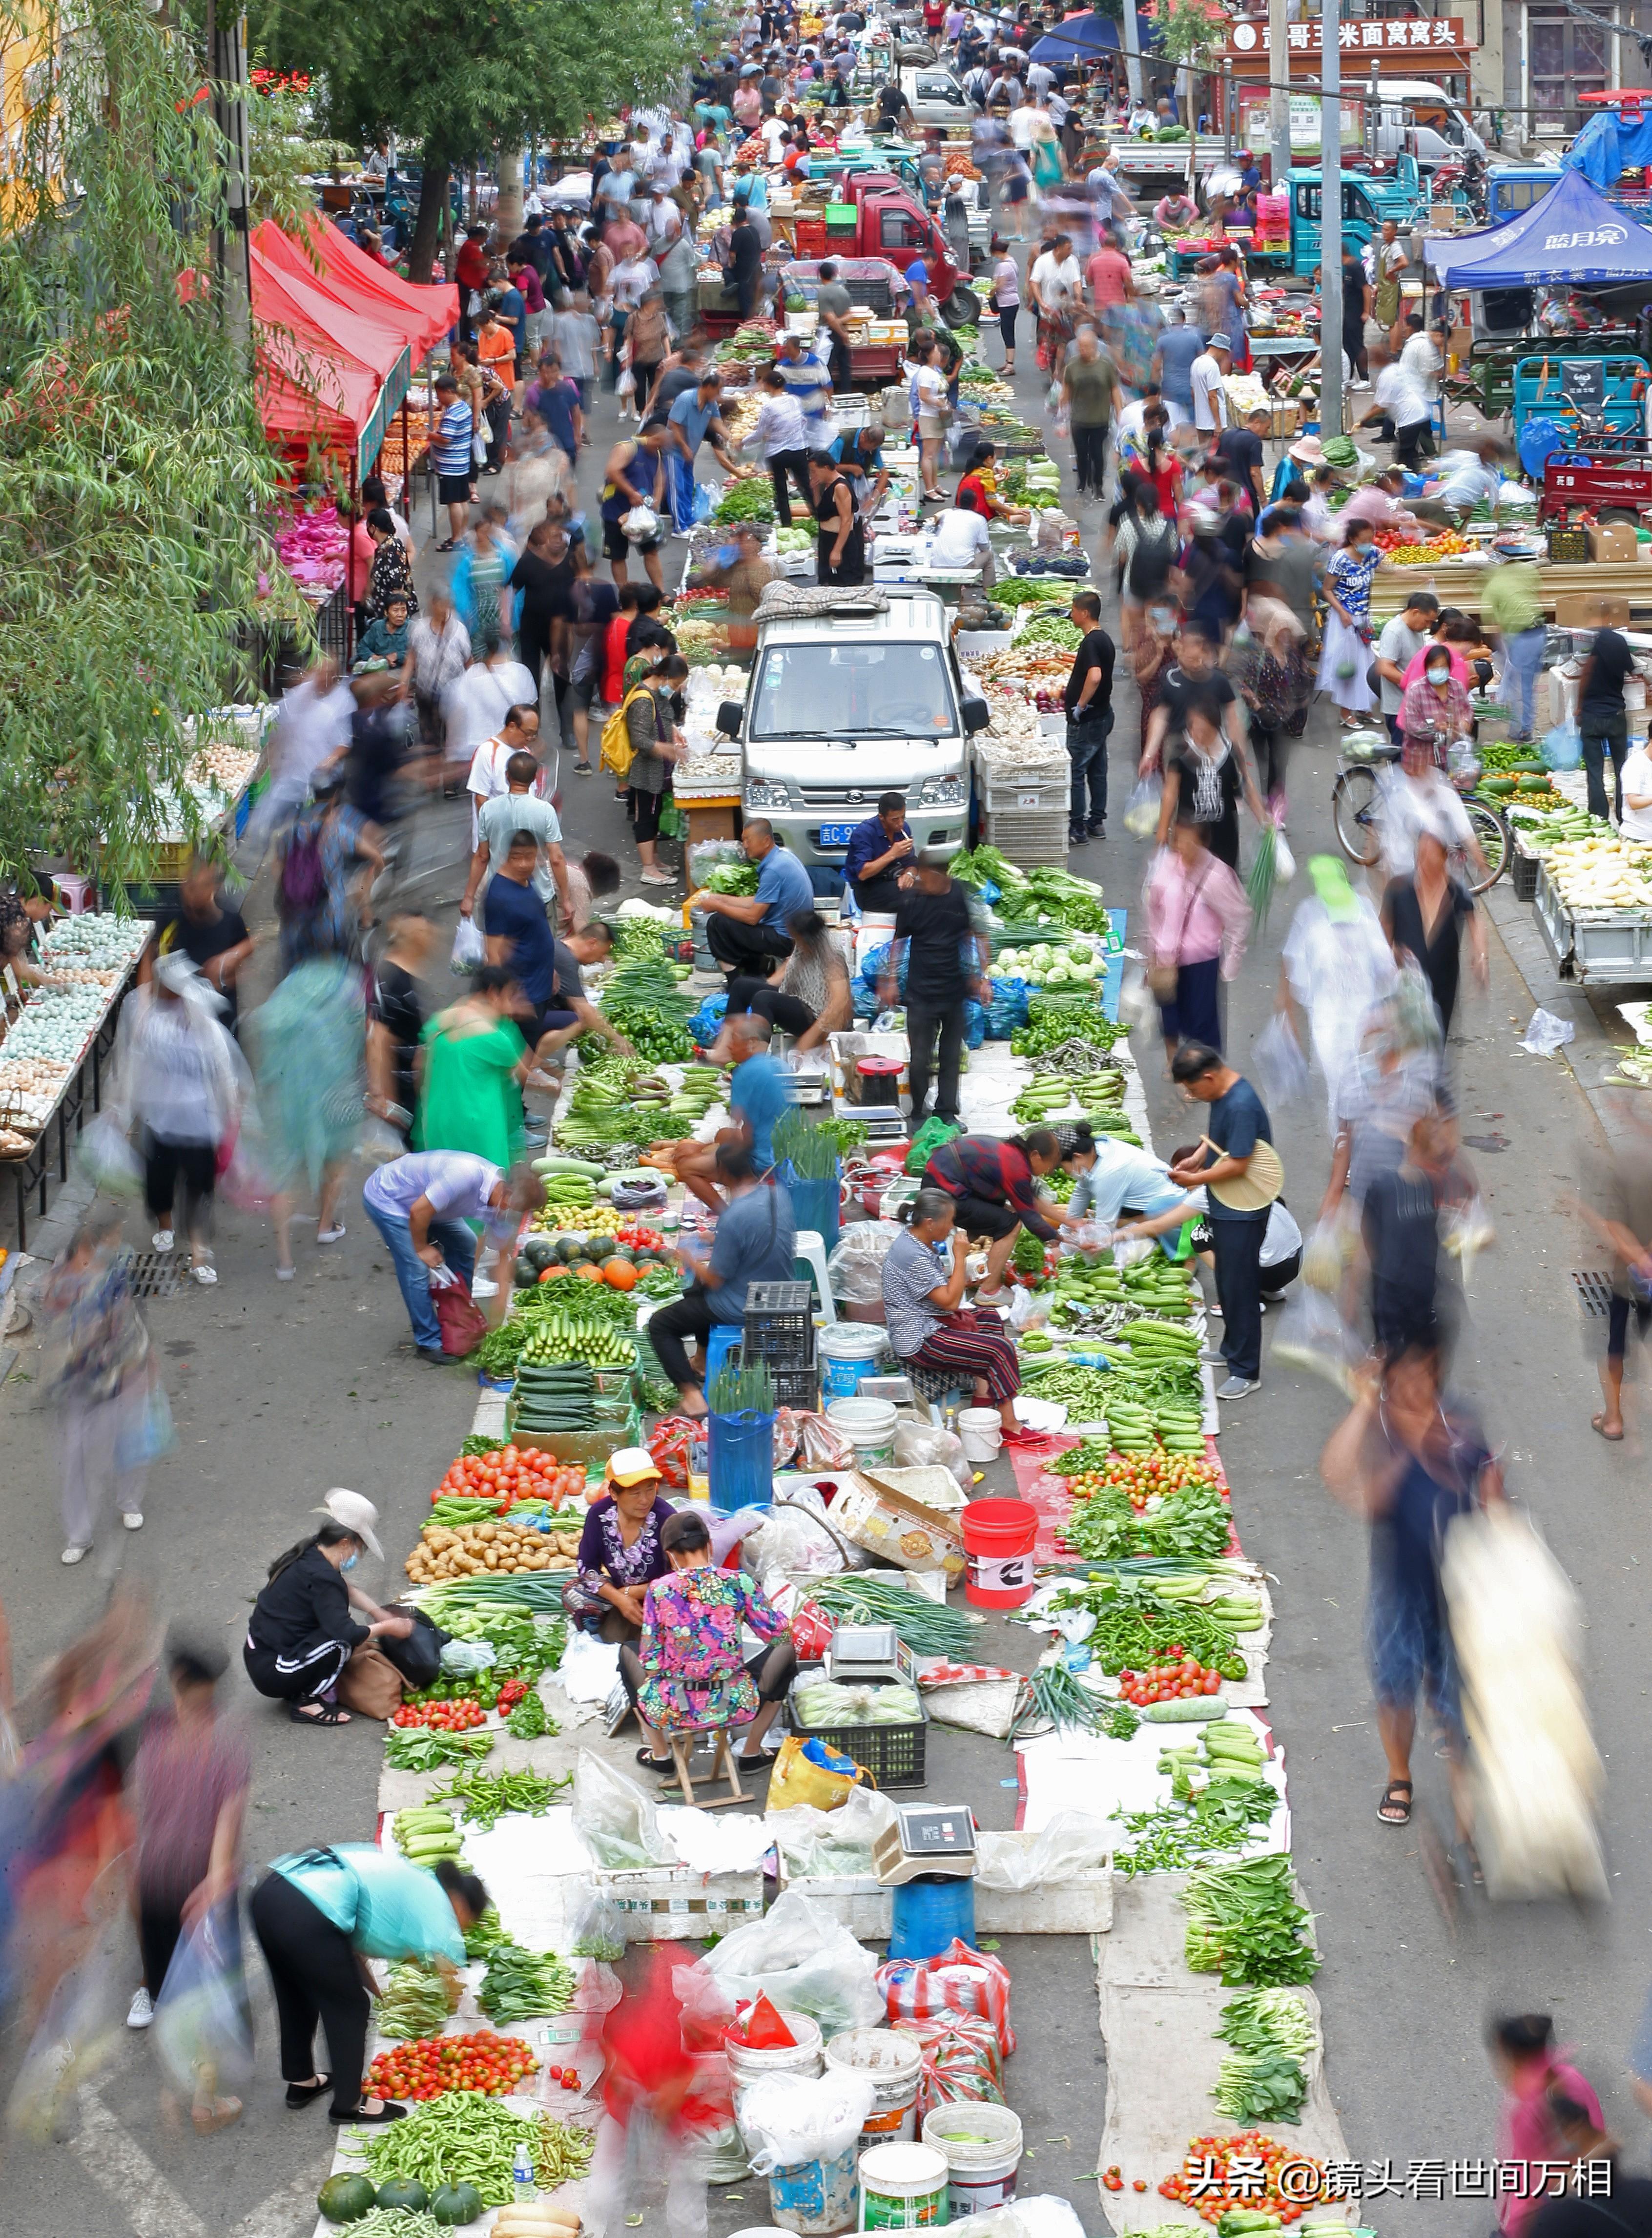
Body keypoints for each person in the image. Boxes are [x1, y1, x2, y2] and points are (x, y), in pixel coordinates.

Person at [250, 1844, 487, 2126]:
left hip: (273, 1893)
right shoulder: (438, 1904)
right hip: (309, 1910)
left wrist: (376, 1990)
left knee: (296, 1991)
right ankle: (349, 2105)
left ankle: (302, 2081)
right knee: (351, 2007)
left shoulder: (411, 1881)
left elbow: (349, 1948)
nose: (463, 1927)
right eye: (469, 1922)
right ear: (461, 1905)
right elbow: (450, 1974)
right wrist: (461, 2015)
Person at [127, 1633, 250, 2128]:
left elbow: (135, 1813)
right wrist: (218, 1878)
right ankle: (204, 2102)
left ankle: (173, 2092)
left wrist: (130, 1883)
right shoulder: (226, 1744)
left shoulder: (152, 1735)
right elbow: (228, 1821)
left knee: (172, 1996)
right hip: (200, 1888)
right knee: (210, 1994)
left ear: (174, 1681)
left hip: (152, 1880)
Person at [622, 1507, 796, 1771]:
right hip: (734, 1701)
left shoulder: (660, 1590)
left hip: (674, 1705)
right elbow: (777, 1633)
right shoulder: (739, 1582)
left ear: (671, 1556)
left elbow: (651, 1663)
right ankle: (751, 1753)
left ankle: (661, 1755)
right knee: (786, 1652)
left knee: (628, 1653)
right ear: (710, 1546)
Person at [116, 950, 245, 1287]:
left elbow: (225, 1073)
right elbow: (135, 1068)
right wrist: (125, 1109)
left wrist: (232, 1115)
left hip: (200, 1125)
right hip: (160, 1123)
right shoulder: (151, 1026)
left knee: (200, 1188)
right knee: (159, 1184)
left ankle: (201, 1252)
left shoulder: (208, 1031)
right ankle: (166, 1226)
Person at [41, 1211, 155, 1567]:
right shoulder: (63, 1275)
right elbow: (48, 1311)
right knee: (75, 1456)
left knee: (128, 1441)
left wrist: (138, 1363)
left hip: (114, 1377)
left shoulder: (113, 1277)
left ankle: (129, 1501)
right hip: (74, 1383)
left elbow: (125, 1325)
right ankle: (79, 1535)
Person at [648, 1143, 797, 1413]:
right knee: (697, 1291)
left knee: (661, 1324)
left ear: (722, 1174)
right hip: (782, 1290)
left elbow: (715, 1280)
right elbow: (759, 1238)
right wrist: (716, 1239)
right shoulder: (779, 1194)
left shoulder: (734, 1216)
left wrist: (690, 1258)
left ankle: (692, 1398)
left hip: (746, 1306)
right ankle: (702, 1362)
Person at [883, 1189, 1036, 1442]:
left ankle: (984, 1395)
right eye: (950, 1221)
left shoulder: (915, 1240)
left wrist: (964, 1279)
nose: (953, 1227)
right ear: (931, 1223)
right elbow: (951, 1303)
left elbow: (937, 1292)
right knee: (1000, 1348)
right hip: (919, 1340)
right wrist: (960, 1256)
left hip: (930, 1320)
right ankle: (1010, 1424)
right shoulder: (912, 1255)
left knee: (990, 1317)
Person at [361, 1152, 544, 1361]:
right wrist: (422, 1248)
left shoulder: (505, 1207)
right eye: (511, 1208)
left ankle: (458, 1317)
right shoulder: (464, 1176)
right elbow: (418, 1212)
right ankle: (428, 1342)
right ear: (505, 1193)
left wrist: (496, 1325)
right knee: (416, 1267)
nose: (509, 1215)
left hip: (431, 1205)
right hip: (389, 1197)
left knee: (466, 1243)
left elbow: (504, 1266)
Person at [1168, 1042, 1273, 1399]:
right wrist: (1198, 1158)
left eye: (1194, 1089)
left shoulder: (1241, 1104)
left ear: (1209, 1076)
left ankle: (1247, 1370)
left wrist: (1194, 1180)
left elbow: (1238, 1163)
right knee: (1227, 1281)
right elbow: (1216, 1139)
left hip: (1243, 1208)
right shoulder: (1221, 1094)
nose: (1192, 1095)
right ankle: (1232, 1350)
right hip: (1225, 1202)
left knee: (1241, 1287)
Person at [242, 1508, 410, 1724]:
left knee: (336, 1631)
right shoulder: (323, 1577)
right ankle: (307, 1703)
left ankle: (301, 1681)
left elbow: (345, 1588)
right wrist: (390, 1627)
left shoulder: (313, 1551)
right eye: (357, 1548)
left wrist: (379, 1613)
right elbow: (348, 1634)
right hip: (273, 1671)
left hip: (260, 1655)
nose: (356, 1556)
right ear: (344, 1543)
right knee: (341, 1644)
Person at [1279, 855, 1399, 1136]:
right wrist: (1288, 1007)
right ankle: (1343, 1153)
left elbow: (1385, 966)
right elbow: (1293, 961)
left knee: (1367, 1083)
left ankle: (1368, 1147)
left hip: (1366, 1019)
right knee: (1341, 1089)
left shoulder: (1364, 911)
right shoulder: (1309, 915)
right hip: (1328, 1021)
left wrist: (1396, 1003)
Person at [884, 849, 989, 1132]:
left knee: (950, 1057)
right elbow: (898, 943)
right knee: (920, 1058)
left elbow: (975, 935)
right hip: (921, 993)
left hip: (953, 991)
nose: (924, 881)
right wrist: (892, 981)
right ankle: (918, 1111)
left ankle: (947, 1112)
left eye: (926, 876)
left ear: (940, 875)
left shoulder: (957, 895)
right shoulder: (912, 900)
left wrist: (982, 976)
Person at [1145, 811, 1250, 1058]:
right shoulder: (1167, 867)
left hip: (1201, 961)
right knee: (1169, 1015)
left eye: (1188, 841)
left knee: (1200, 1024)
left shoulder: (1217, 875)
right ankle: (1173, 1062)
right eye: (1178, 839)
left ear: (1203, 843)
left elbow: (1238, 917)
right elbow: (1153, 910)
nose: (1181, 847)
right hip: (1166, 958)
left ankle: (1198, 1074)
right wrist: (1150, 952)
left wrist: (1231, 962)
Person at [415, 968, 530, 1175]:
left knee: (443, 1189)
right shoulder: (496, 1038)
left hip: (439, 1121)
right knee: (482, 1191)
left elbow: (419, 1065)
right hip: (478, 1127)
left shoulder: (441, 1021)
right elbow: (524, 1076)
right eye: (512, 995)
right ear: (495, 994)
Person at [1382, 824, 1486, 1040]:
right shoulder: (1398, 889)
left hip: (1443, 985)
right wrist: (1390, 955)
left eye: (1431, 858)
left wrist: (1481, 956)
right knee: (1405, 1046)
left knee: (1436, 1041)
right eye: (1421, 857)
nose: (1425, 865)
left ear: (1444, 859)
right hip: (1406, 985)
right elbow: (1383, 932)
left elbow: (1475, 919)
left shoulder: (1456, 893)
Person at [565, 1449, 676, 1641]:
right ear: (614, 1494)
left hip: (659, 1595)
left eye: (650, 1489)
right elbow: (586, 1565)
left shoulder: (667, 1518)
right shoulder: (599, 1515)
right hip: (618, 1594)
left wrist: (631, 1592)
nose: (645, 1500)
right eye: (635, 1493)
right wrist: (620, 1600)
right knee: (572, 1592)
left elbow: (678, 1577)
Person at [694, 818, 815, 979]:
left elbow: (752, 918)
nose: (744, 845)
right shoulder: (783, 858)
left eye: (747, 840)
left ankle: (735, 984)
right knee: (732, 920)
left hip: (786, 939)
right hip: (798, 934)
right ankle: (754, 973)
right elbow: (758, 900)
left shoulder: (773, 870)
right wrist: (722, 899)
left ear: (766, 841)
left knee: (717, 923)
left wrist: (717, 906)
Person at [464, 747, 571, 928]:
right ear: (534, 778)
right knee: (541, 952)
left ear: (507, 776)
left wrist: (468, 897)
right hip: (538, 896)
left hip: (499, 897)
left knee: (501, 954)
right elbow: (557, 859)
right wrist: (566, 899)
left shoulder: (488, 810)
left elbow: (482, 857)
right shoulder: (545, 811)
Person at [145, 856, 252, 1033]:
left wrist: (227, 966)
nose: (191, 893)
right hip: (176, 1022)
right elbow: (151, 953)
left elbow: (243, 960)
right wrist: (145, 999)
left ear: (214, 888)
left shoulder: (231, 921)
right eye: (188, 885)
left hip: (218, 1022)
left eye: (200, 886)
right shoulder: (172, 915)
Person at [726, 909, 851, 1051]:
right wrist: (763, 985)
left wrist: (811, 1036)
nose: (794, 941)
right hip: (798, 1000)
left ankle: (757, 1058)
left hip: (818, 1017)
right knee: (742, 986)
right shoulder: (802, 947)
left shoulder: (832, 957)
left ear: (808, 938)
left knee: (764, 999)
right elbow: (789, 968)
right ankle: (727, 1048)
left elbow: (840, 1003)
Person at [620, 650, 690, 884]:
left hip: (657, 770)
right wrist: (667, 750)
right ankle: (648, 869)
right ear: (665, 677)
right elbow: (639, 739)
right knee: (646, 817)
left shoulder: (655, 693)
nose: (676, 689)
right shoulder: (642, 699)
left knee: (656, 812)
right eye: (677, 684)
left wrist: (674, 731)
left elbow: (661, 718)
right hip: (646, 770)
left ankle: (655, 861)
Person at [367, 909, 435, 1140]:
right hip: (400, 1093)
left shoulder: (402, 975)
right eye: (424, 934)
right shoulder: (394, 980)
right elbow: (378, 1037)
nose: (430, 940)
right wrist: (382, 1096)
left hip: (409, 1088)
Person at [1317, 518, 1382, 729]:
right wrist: (1342, 612)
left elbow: (1391, 569)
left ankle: (1363, 708)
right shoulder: (1340, 559)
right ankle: (1345, 712)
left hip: (1363, 618)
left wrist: (1420, 576)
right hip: (1345, 620)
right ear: (1353, 540)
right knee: (1348, 666)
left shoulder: (1372, 554)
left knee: (1366, 663)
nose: (1369, 543)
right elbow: (1327, 589)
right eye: (1364, 540)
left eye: (1371, 538)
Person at [1064, 588, 1115, 846]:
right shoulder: (1104, 638)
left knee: (1075, 772)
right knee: (1097, 770)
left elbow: (1095, 676)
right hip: (1103, 715)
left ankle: (1078, 827)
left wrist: (1080, 705)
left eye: (1073, 610)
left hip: (1088, 720)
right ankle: (1097, 822)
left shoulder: (1092, 642)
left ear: (1084, 613)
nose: (1071, 614)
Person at [1579, 600, 1633, 825]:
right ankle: (1624, 816)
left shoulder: (1590, 640)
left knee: (1594, 769)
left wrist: (1579, 707)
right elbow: (1633, 670)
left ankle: (1599, 818)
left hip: (1592, 715)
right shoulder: (1620, 641)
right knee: (1623, 767)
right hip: (1616, 715)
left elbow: (1586, 673)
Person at [600, 422, 670, 592]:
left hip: (643, 514)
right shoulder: (627, 448)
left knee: (651, 552)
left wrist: (656, 501)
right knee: (618, 556)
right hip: (617, 510)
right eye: (659, 443)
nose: (660, 448)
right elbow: (612, 471)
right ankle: (625, 596)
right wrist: (631, 493)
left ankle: (660, 593)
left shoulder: (657, 454)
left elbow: (660, 481)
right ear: (648, 436)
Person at [1374, 587, 1442, 751]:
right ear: (1415, 612)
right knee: (1402, 756)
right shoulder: (1395, 631)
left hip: (1414, 705)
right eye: (1428, 621)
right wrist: (1415, 686)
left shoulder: (1416, 629)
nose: (1428, 626)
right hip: (1399, 708)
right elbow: (1385, 668)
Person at [745, 365, 812, 528]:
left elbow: (759, 434)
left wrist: (744, 441)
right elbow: (802, 421)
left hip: (777, 454)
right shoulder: (794, 400)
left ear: (768, 385)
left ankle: (787, 524)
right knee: (806, 486)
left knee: (781, 491)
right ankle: (821, 517)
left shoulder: (769, 406)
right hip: (798, 449)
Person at [1061, 323, 1119, 499]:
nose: (1082, 350)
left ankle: (1098, 486)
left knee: (1097, 454)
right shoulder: (1072, 366)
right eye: (1080, 347)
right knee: (1081, 453)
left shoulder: (1105, 365)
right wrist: (1061, 412)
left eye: (1085, 347)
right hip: (1078, 419)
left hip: (1099, 419)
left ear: (1094, 347)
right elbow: (1066, 389)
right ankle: (1082, 481)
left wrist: (1119, 411)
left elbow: (1115, 389)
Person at [1399, 641, 1475, 770]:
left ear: (1449, 668)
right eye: (1434, 668)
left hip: (1451, 756)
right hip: (1421, 759)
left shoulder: (1457, 687)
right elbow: (1411, 724)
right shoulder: (1416, 690)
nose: (1438, 671)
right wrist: (1437, 728)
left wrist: (1466, 721)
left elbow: (1467, 710)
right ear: (1427, 668)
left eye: (1442, 667)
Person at [843, 792, 916, 915]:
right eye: (895, 820)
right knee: (913, 897)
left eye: (903, 817)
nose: (900, 824)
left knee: (929, 890)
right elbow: (863, 874)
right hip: (868, 888)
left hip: (893, 880)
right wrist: (892, 854)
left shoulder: (903, 830)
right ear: (882, 817)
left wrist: (909, 875)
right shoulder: (864, 833)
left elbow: (912, 863)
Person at [431, 373, 475, 552]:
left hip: (451, 465)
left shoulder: (452, 414)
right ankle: (462, 534)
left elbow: (446, 439)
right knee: (463, 499)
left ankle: (456, 538)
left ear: (449, 392)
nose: (438, 398)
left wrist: (431, 436)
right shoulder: (464, 407)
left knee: (454, 502)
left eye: (440, 394)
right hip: (462, 462)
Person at [1151, 306, 1204, 432]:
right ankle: (1191, 446)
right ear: (1184, 320)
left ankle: (1173, 449)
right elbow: (1202, 363)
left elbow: (1156, 367)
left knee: (1171, 426)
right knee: (1192, 426)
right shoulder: (1194, 339)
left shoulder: (1163, 340)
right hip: (1190, 389)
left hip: (1169, 390)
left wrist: (1153, 389)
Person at [1190, 332, 1231, 436]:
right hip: (1211, 424)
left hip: (1201, 422)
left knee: (1203, 451)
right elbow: (1212, 396)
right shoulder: (1212, 366)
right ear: (1221, 350)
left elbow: (1193, 392)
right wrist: (1218, 423)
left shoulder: (1196, 362)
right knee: (1215, 451)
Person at [991, 238, 1021, 373]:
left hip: (1007, 302)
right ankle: (1008, 362)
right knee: (1007, 331)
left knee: (1007, 332)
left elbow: (1000, 285)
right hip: (1012, 301)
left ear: (997, 252)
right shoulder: (1012, 262)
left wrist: (990, 291)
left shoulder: (1003, 266)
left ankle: (1010, 365)